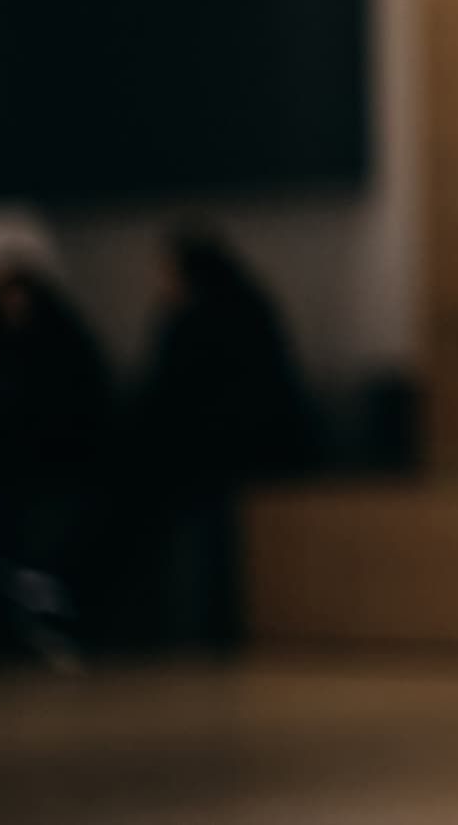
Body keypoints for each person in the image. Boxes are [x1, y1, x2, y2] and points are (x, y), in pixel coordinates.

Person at [126, 226, 319, 647]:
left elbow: (172, 398)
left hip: (239, 452)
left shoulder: (206, 318)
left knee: (155, 496)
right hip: (229, 448)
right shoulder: (239, 307)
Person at [0, 213, 117, 667]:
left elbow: (73, 409)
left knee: (37, 553)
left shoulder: (54, 337)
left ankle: (41, 630)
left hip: (50, 472)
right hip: (6, 471)